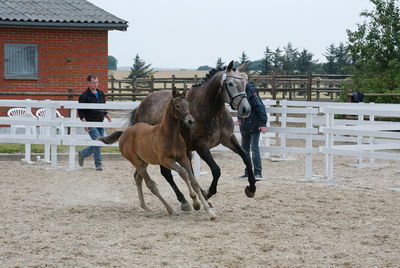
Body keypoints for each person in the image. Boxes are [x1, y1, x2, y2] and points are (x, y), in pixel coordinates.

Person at [77, 74, 112, 171]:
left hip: (100, 122)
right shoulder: (84, 96)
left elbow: (103, 107)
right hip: (91, 123)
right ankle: (98, 164)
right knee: (98, 142)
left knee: (100, 143)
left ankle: (83, 153)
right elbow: (80, 111)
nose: (95, 84)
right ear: (88, 83)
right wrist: (85, 123)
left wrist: (108, 117)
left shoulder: (101, 93)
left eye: (96, 82)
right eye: (93, 83)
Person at [238, 81, 268, 180]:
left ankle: (258, 172)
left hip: (254, 125)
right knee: (244, 150)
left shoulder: (250, 90)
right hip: (244, 125)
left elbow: (260, 107)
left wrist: (263, 123)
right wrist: (240, 119)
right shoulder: (239, 91)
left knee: (254, 149)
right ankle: (248, 172)